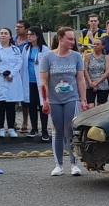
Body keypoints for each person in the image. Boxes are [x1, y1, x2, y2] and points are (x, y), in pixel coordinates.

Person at [38, 26, 90, 176]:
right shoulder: (48, 57)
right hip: (54, 100)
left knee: (71, 130)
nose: (73, 42)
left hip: (72, 98)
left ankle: (74, 164)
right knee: (57, 131)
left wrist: (83, 100)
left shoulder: (76, 56)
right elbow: (44, 81)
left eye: (73, 39)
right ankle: (58, 165)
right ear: (60, 38)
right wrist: (46, 100)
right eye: (70, 39)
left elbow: (80, 80)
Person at [0, 28, 25, 137]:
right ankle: (0, 128)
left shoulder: (16, 50)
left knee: (11, 105)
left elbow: (19, 62)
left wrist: (11, 74)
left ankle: (11, 128)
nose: (3, 35)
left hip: (12, 80)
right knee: (0, 104)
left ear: (10, 36)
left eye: (5, 33)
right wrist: (4, 73)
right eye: (1, 33)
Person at [25, 27, 47, 140]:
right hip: (29, 82)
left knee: (43, 106)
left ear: (37, 36)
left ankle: (44, 131)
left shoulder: (45, 49)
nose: (28, 36)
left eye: (31, 34)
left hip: (41, 83)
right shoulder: (26, 48)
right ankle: (34, 128)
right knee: (32, 106)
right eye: (28, 34)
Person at [83, 38, 109, 106]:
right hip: (90, 84)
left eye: (97, 44)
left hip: (102, 84)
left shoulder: (106, 57)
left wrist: (97, 82)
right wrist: (90, 83)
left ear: (103, 46)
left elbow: (107, 71)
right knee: (90, 106)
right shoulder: (88, 56)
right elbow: (85, 70)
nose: (95, 46)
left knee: (101, 107)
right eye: (94, 44)